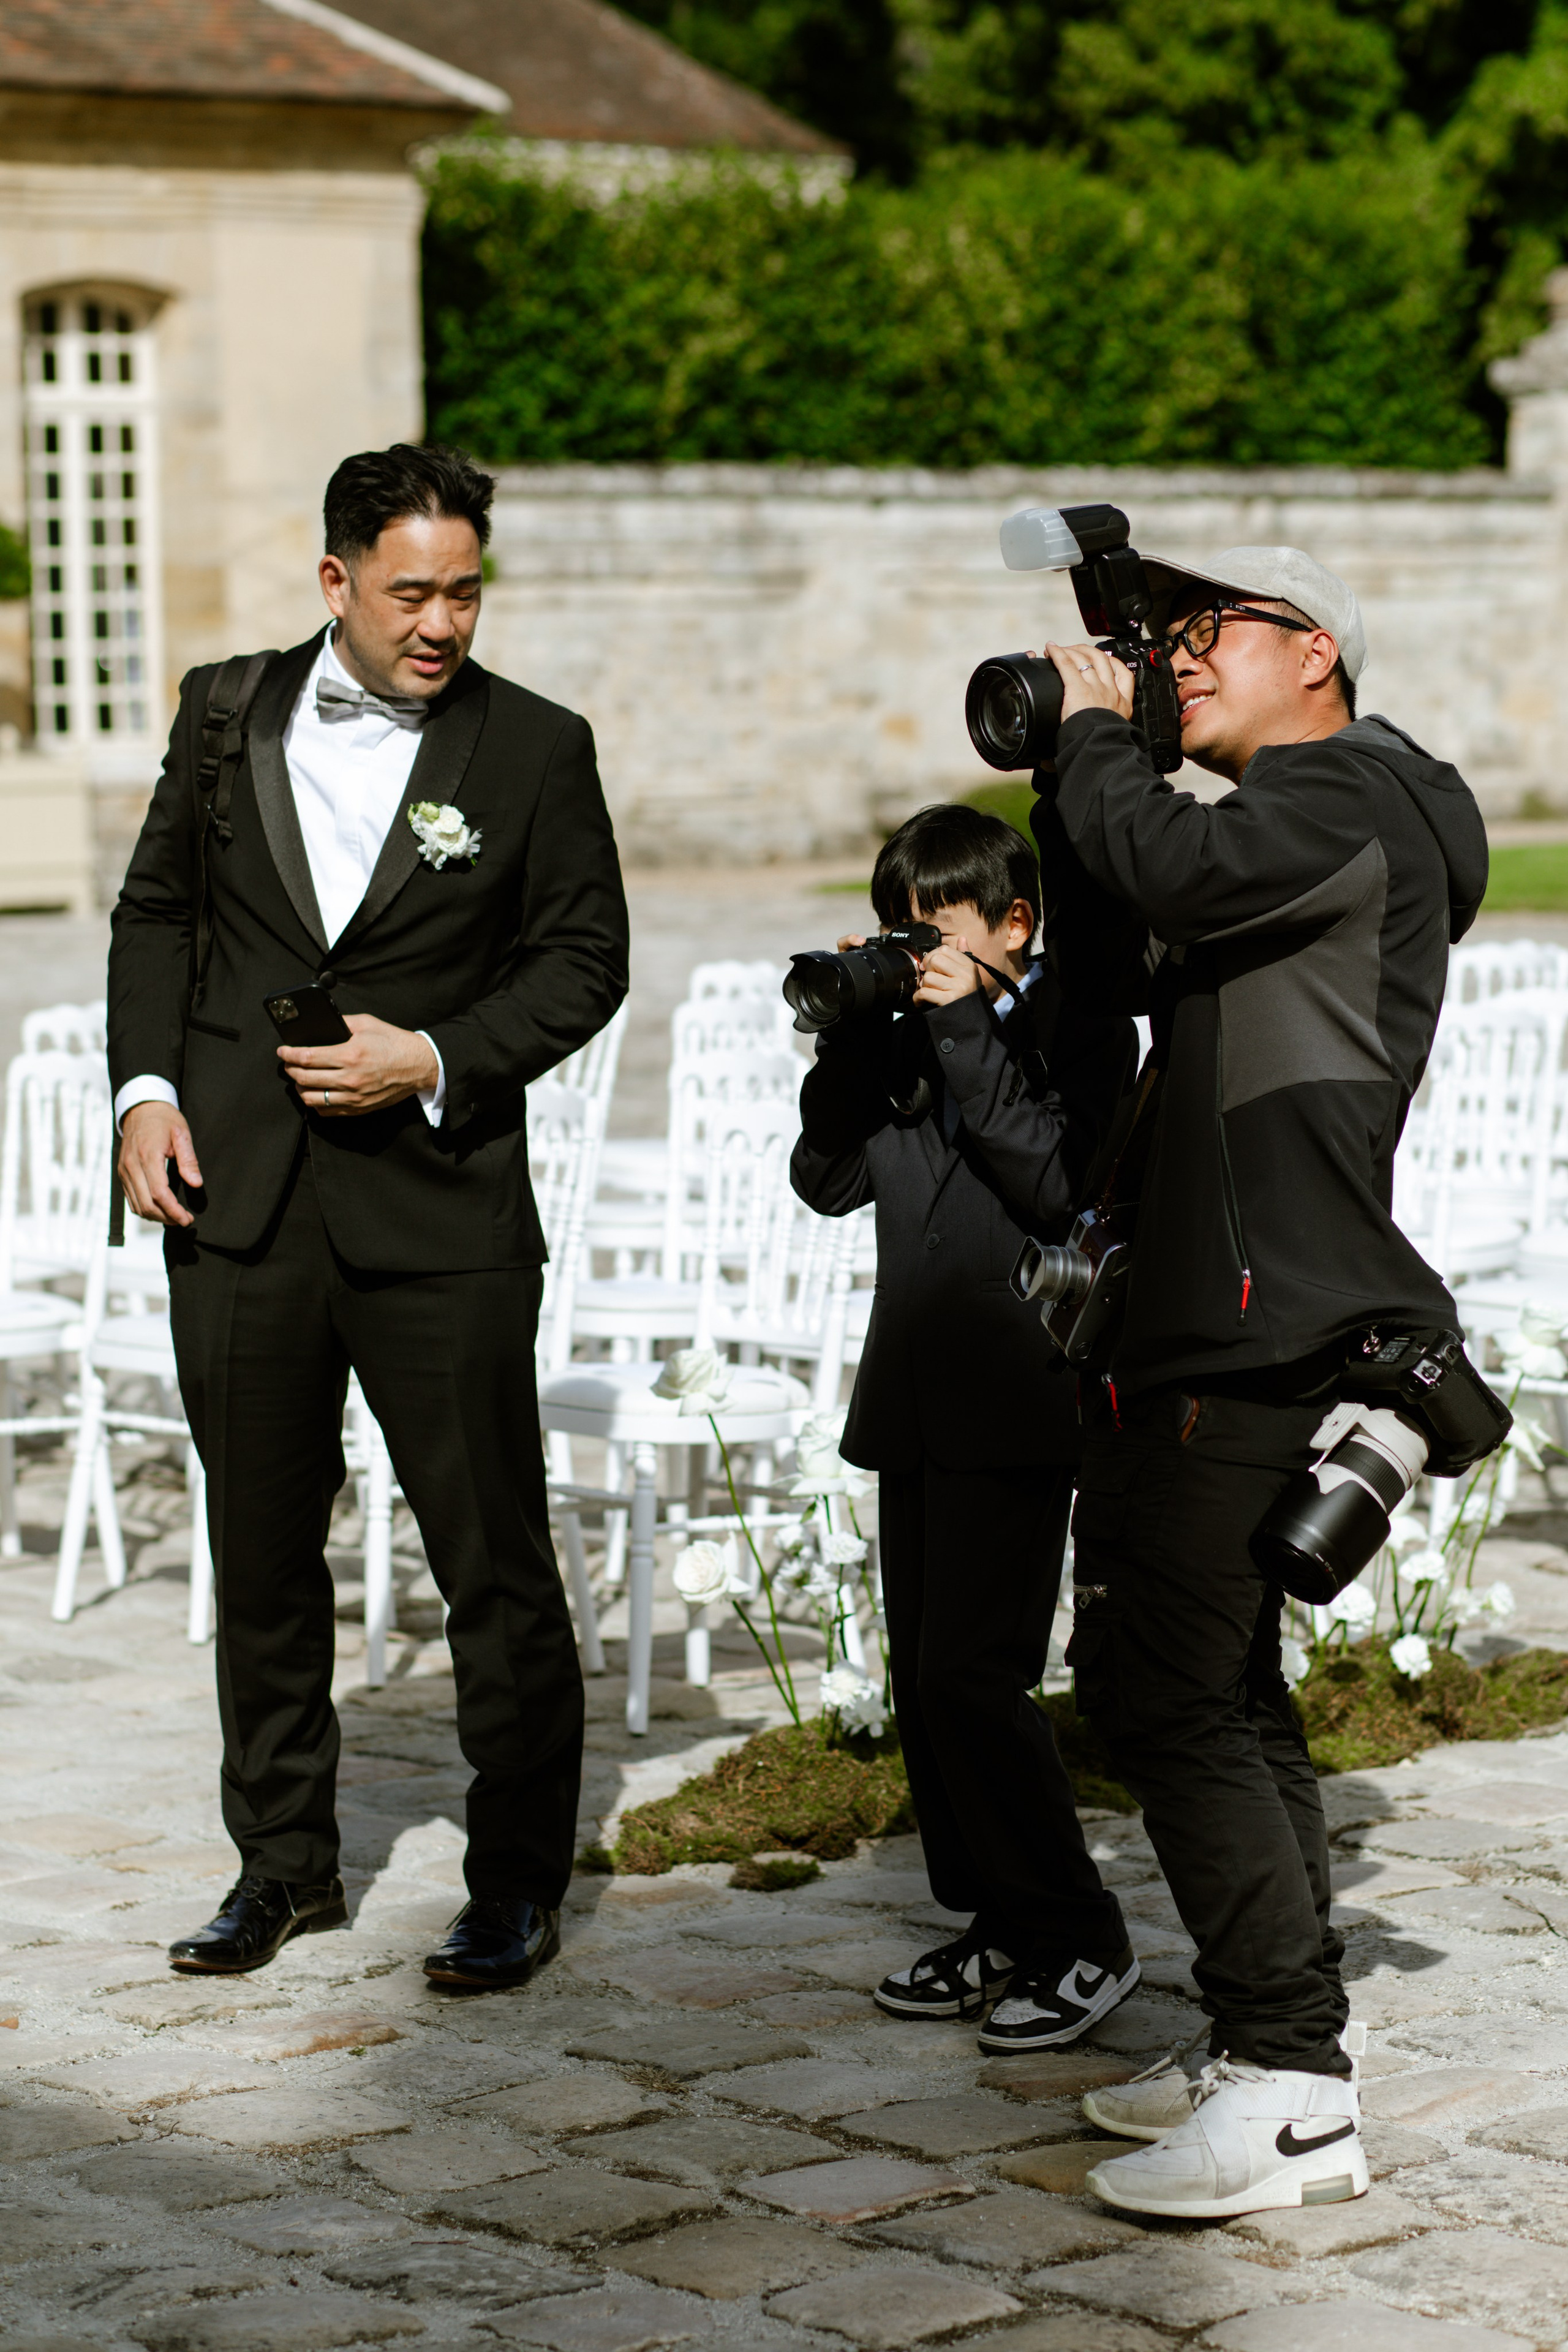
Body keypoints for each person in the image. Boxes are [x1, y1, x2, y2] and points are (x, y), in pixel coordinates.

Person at [108, 443, 628, 1991]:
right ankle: (281, 1867)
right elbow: (158, 914)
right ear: (336, 580)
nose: (442, 623)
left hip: (441, 1211)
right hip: (237, 1202)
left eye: (465, 591)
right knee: (262, 1553)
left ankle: (515, 1885)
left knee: (493, 1565)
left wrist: (438, 1056)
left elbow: (584, 959)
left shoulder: (536, 747)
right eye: (412, 593)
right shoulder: (220, 712)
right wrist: (145, 1091)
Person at [1030, 546, 1487, 2215]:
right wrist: (1081, 788)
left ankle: (1293, 2088)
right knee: (1211, 1685)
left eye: (1202, 630)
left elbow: (1167, 858)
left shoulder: (1344, 793)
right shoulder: (1273, 843)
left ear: (1314, 649)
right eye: (1154, 642)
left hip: (1255, 1313)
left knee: (1169, 1693)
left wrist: (1095, 742)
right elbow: (1105, 973)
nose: (1171, 657)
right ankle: (1262, 2039)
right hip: (1212, 1303)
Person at [790, 803, 1140, 2050]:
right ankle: (999, 1917)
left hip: (1018, 1392)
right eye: (900, 931)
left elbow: (1051, 1183)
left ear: (1014, 923)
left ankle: (1081, 1934)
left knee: (974, 1678)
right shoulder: (907, 1039)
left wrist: (960, 1028)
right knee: (923, 1684)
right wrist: (854, 1032)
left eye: (933, 932)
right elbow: (825, 1180)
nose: (915, 953)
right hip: (912, 1390)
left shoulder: (1081, 1030)